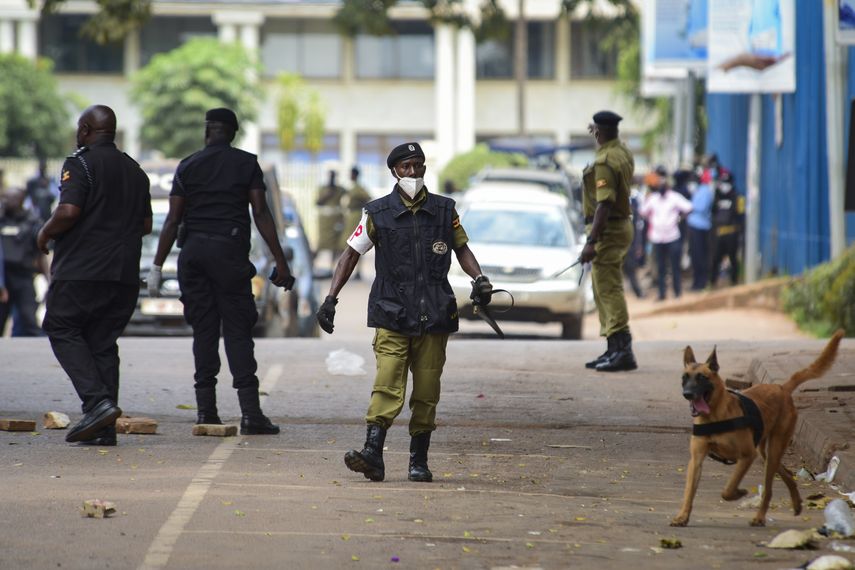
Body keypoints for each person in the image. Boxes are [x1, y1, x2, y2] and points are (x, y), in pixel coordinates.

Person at [315, 142, 492, 483]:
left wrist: (480, 279)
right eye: (406, 167)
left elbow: (462, 249)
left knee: (426, 391)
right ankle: (372, 453)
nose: (413, 172)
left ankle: (418, 460)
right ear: (394, 171)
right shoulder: (376, 213)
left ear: (424, 167)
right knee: (387, 384)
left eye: (418, 165)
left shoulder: (444, 210)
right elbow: (350, 254)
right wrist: (331, 299)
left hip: (434, 315)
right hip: (391, 313)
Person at [147, 108, 294, 435]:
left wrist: (157, 266)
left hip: (194, 256)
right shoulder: (246, 163)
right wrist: (281, 262)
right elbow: (261, 212)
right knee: (238, 332)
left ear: (207, 131)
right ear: (233, 133)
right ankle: (251, 415)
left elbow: (172, 219)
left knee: (204, 332)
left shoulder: (187, 165)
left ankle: (206, 412)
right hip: (229, 256)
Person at [37, 105, 152, 446]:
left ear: (86, 129)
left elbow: (68, 210)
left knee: (60, 326)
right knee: (102, 343)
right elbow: (146, 224)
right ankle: (103, 428)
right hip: (124, 275)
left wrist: (45, 232)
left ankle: (96, 403)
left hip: (82, 271)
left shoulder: (80, 163)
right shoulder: (135, 170)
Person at [579, 111, 638, 373]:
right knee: (605, 286)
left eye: (594, 130)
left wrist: (591, 241)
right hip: (619, 225)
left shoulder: (605, 160)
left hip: (608, 229)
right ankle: (614, 348)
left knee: (608, 289)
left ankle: (623, 350)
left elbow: (604, 203)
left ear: (599, 132)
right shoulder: (622, 152)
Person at [0, 187, 49, 336]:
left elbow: (41, 254)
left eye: (9, 198)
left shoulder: (32, 221)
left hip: (24, 277)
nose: (5, 201)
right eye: (3, 197)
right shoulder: (1, 219)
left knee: (29, 320)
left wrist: (49, 278)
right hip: (4, 278)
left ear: (21, 199)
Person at [639, 169, 693, 301]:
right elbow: (642, 211)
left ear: (668, 186)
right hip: (657, 238)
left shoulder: (674, 197)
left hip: (672, 237)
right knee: (661, 267)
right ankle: (662, 294)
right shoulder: (653, 198)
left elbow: (689, 207)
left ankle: (677, 292)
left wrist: (679, 217)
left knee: (675, 266)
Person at [711, 170, 744, 287]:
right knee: (715, 258)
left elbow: (741, 215)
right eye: (722, 183)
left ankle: (734, 281)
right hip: (719, 233)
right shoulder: (717, 196)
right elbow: (713, 212)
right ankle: (712, 281)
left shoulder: (737, 197)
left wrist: (740, 232)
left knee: (733, 258)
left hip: (732, 233)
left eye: (727, 183)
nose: (724, 186)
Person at [340, 166, 372, 280]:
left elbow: (368, 197)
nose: (350, 176)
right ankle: (347, 270)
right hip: (349, 216)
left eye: (352, 174)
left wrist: (359, 203)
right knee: (348, 244)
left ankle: (357, 271)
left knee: (356, 244)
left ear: (355, 175)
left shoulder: (358, 188)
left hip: (355, 216)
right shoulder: (351, 187)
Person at [686, 168, 714, 290]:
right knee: (694, 255)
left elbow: (700, 208)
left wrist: (690, 207)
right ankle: (696, 282)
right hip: (693, 226)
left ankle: (702, 282)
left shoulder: (705, 191)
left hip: (700, 227)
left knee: (700, 255)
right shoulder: (698, 191)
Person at [315, 167, 346, 271]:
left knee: (336, 245)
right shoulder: (322, 189)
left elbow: (351, 195)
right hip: (325, 221)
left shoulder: (340, 189)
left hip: (336, 219)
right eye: (330, 176)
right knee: (321, 244)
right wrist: (327, 195)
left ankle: (331, 267)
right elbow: (317, 203)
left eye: (333, 176)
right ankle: (313, 264)